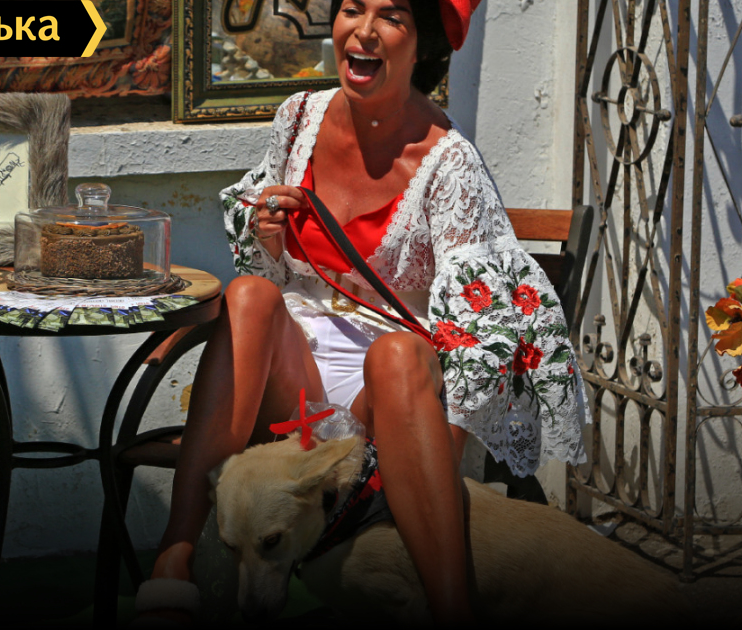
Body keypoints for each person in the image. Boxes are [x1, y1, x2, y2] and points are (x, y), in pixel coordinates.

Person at [136, 0, 589, 624]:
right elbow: (267, 274)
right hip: (295, 375)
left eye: (392, 17)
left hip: (388, 390)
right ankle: (174, 559)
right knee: (249, 296)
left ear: (423, 45)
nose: (365, 31)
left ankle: (451, 606)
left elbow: (476, 334)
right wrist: (269, 239)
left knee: (397, 353)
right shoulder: (298, 116)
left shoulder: (451, 163)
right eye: (352, 8)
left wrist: (439, 459)